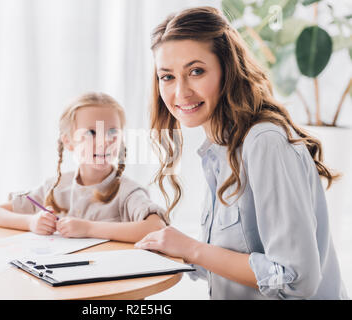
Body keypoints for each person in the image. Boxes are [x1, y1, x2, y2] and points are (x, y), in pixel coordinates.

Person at [134, 6, 348, 299]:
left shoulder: (263, 142)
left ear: (227, 69)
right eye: (167, 77)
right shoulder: (218, 148)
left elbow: (296, 279)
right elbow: (235, 254)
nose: (180, 92)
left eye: (196, 71)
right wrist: (172, 249)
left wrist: (191, 249)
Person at [0, 92, 168, 242]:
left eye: (112, 131)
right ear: (69, 142)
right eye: (91, 132)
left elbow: (156, 227)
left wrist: (89, 228)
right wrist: (31, 222)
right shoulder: (55, 188)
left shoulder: (127, 192)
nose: (104, 141)